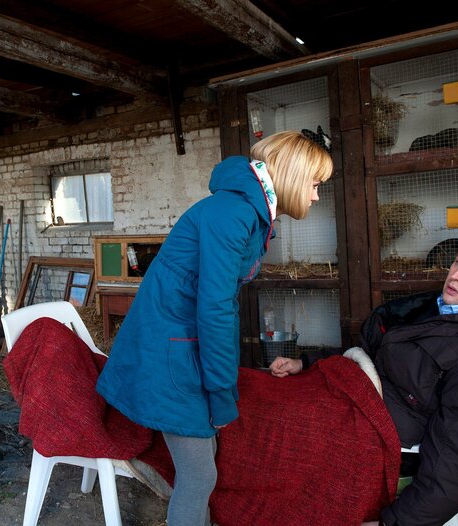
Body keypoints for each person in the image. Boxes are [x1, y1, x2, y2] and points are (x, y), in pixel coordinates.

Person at [96, 130, 333, 526]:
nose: (315, 196)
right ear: (293, 176)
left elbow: (221, 304)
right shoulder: (234, 214)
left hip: (181, 342)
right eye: (314, 183)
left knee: (204, 466)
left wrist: (222, 380)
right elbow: (216, 308)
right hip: (169, 350)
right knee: (199, 475)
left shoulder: (250, 213)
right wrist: (221, 392)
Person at [269, 232, 458, 526]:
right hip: (351, 392)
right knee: (264, 394)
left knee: (271, 428)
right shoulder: (435, 309)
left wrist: (395, 522)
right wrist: (307, 362)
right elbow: (373, 353)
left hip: (374, 430)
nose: (456, 275)